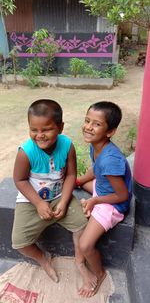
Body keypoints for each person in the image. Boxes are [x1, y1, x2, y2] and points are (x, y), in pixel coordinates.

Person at [12, 99, 96, 288]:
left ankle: (80, 262)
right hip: (31, 200)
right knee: (19, 243)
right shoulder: (25, 152)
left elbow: (71, 175)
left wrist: (64, 202)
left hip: (59, 195)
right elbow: (20, 180)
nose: (39, 135)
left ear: (60, 127)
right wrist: (39, 204)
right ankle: (43, 259)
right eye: (34, 129)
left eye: (46, 129)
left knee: (83, 226)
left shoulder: (67, 146)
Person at [76, 101, 132, 298]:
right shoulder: (96, 145)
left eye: (97, 124)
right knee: (81, 184)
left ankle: (99, 273)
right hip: (102, 190)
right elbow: (96, 170)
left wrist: (94, 202)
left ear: (110, 131)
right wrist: (80, 180)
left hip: (113, 204)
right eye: (87, 120)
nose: (89, 127)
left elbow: (123, 195)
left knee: (84, 245)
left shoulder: (111, 159)